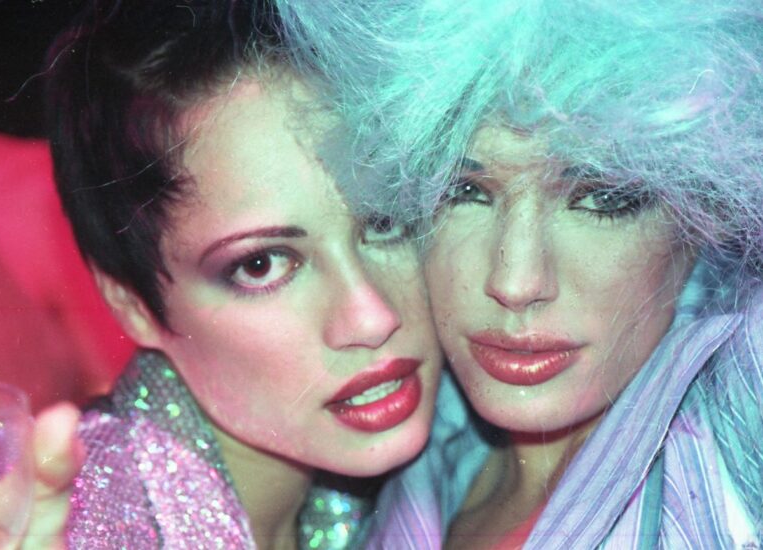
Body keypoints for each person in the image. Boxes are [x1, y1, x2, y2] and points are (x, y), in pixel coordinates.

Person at [278, 0, 763, 547]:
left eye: (603, 198)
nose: (515, 283)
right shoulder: (406, 466)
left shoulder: (738, 426)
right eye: (463, 191)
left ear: (703, 209)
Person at [17, 1, 443, 548]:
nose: (372, 316)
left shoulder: (399, 493)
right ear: (133, 305)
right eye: (261, 264)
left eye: (385, 221)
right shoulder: (82, 527)